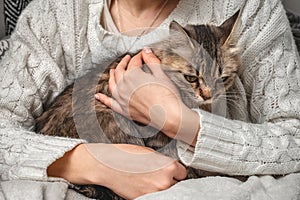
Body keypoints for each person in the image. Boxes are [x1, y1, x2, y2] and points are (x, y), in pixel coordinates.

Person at [0, 0, 299, 199]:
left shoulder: (249, 8)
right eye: (195, 80)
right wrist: (98, 164)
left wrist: (182, 122)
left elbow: (294, 140)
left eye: (219, 80)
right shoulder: (52, 14)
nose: (209, 94)